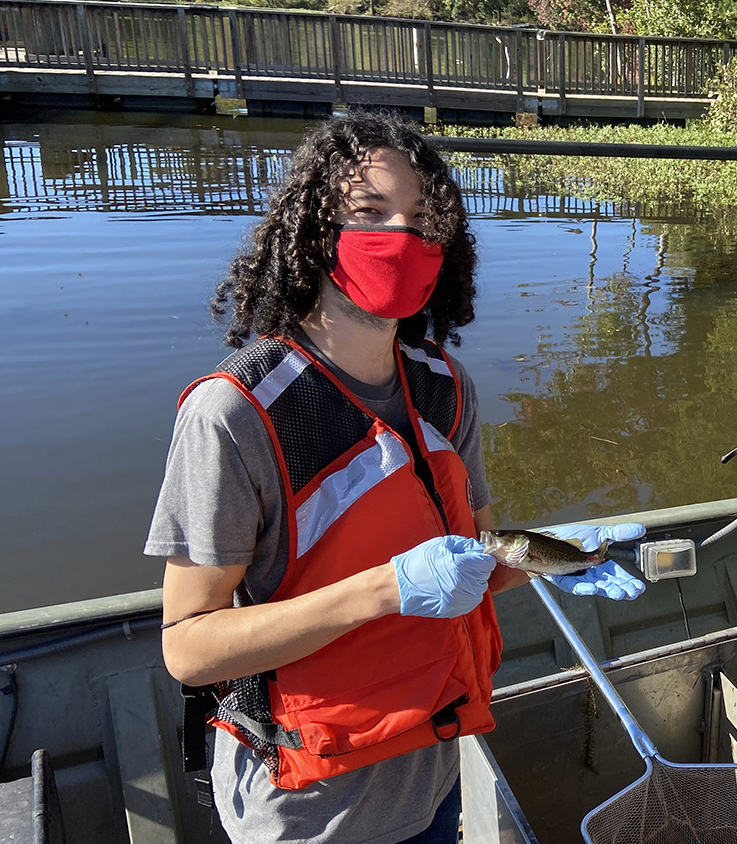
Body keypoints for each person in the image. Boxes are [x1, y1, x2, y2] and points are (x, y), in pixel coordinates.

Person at [144, 110, 647, 844]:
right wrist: (387, 588)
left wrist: (548, 557)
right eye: (370, 213)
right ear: (315, 232)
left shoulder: (446, 387)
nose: (399, 239)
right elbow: (188, 647)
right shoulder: (236, 413)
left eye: (421, 221)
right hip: (309, 811)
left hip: (434, 770)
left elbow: (465, 560)